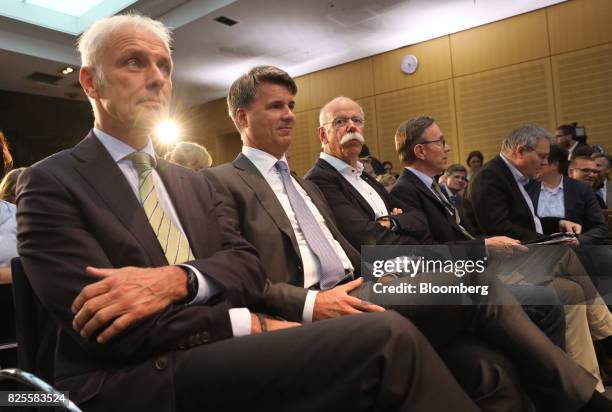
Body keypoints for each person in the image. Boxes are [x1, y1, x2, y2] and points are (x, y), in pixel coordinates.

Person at [16, 16, 453, 412]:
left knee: (478, 354)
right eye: (134, 63)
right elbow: (110, 329)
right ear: (91, 83)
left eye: (164, 67)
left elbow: (244, 266)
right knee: (389, 337)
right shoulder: (50, 183)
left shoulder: (192, 181)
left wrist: (179, 279)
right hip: (134, 377)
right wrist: (248, 322)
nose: (156, 79)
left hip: (221, 348)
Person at [465, 124, 612, 391]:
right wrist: (548, 241)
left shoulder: (520, 178)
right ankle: (608, 333)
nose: (546, 162)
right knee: (566, 252)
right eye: (542, 156)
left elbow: (528, 222)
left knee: (573, 293)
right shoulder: (489, 178)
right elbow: (500, 230)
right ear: (521, 151)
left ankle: (590, 387)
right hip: (501, 266)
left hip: (522, 261)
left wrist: (558, 224)